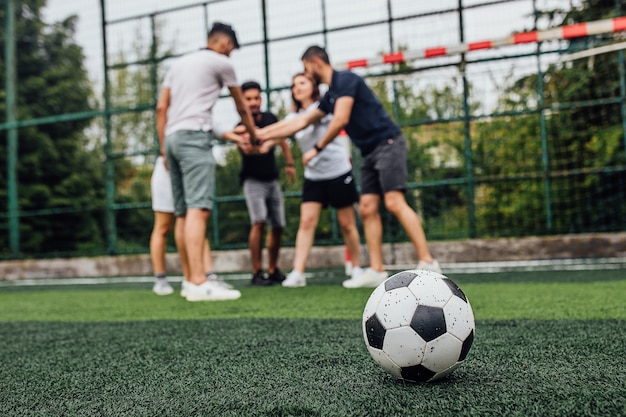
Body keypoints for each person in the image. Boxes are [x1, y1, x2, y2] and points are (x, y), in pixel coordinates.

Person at [256, 45, 441, 288]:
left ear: (315, 63)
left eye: (305, 68)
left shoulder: (345, 80)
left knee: (393, 201)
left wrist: (317, 148)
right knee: (366, 207)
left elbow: (341, 119)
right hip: (368, 151)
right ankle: (376, 269)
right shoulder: (331, 94)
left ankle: (428, 261)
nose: (305, 73)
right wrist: (261, 133)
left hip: (388, 143)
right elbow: (300, 121)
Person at [156, 22, 257, 301]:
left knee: (182, 214)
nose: (230, 55)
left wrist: (164, 147)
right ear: (225, 44)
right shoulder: (220, 62)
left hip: (173, 140)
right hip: (193, 141)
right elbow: (241, 106)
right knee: (198, 210)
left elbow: (162, 108)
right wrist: (253, 135)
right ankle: (201, 282)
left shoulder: (178, 66)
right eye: (232, 50)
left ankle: (190, 281)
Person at [259, 73, 362, 287]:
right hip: (313, 177)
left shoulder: (322, 108)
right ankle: (298, 272)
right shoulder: (292, 117)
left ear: (313, 86)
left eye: (302, 83)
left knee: (347, 224)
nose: (297, 87)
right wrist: (263, 143)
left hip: (338, 172)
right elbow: (283, 131)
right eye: (294, 84)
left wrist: (261, 134)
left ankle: (358, 268)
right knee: (306, 223)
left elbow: (297, 126)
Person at [237, 80, 296, 286]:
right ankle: (256, 272)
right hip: (253, 181)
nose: (253, 102)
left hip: (272, 179)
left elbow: (282, 139)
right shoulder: (241, 126)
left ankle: (273, 269)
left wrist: (289, 163)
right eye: (249, 99)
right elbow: (246, 147)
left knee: (278, 224)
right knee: (259, 221)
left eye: (256, 98)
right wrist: (256, 145)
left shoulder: (270, 118)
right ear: (242, 101)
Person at [149, 155, 233, 296]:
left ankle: (205, 276)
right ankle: (161, 279)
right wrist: (165, 154)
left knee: (196, 221)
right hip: (167, 171)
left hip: (188, 168)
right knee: (163, 226)